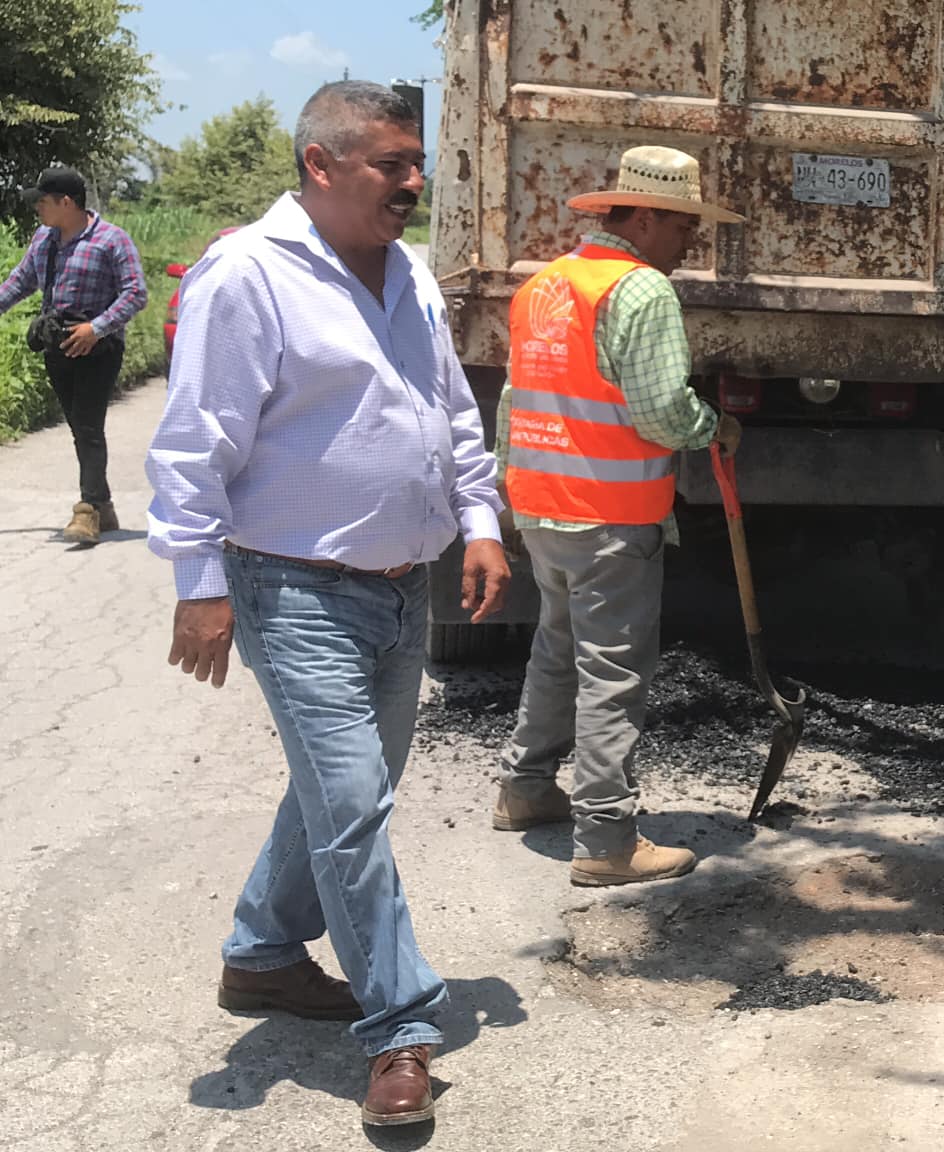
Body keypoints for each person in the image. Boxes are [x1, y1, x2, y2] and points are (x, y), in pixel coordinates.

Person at [145, 81, 510, 1129]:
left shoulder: (412, 276)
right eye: (392, 163)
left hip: (402, 589)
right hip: (290, 585)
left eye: (415, 160)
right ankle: (400, 1029)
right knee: (352, 806)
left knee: (344, 788)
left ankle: (261, 954)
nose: (414, 179)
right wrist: (199, 586)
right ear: (321, 164)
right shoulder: (248, 277)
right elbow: (192, 441)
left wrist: (478, 522)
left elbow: (449, 412)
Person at [488, 145, 743, 887]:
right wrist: (714, 429)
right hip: (607, 509)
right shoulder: (641, 292)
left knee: (557, 648)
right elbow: (662, 411)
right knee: (613, 672)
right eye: (682, 225)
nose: (689, 241)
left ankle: (526, 788)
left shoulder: (545, 286)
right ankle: (606, 839)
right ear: (642, 215)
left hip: (542, 504)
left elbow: (516, 401)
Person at [0, 166, 148, 544]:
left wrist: (95, 328)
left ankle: (87, 512)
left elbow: (135, 294)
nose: (38, 209)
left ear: (66, 203)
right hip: (59, 345)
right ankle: (104, 505)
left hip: (99, 347)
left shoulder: (112, 240)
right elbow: (21, 281)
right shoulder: (44, 240)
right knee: (79, 427)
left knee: (87, 426)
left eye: (43, 202)